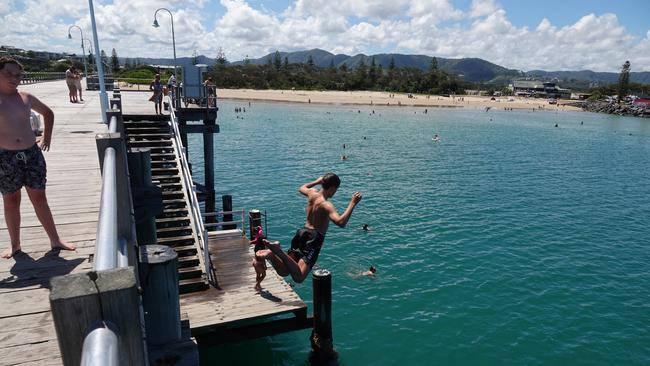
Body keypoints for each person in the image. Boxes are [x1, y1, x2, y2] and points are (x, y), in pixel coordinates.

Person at [0, 57, 75, 258]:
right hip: (5, 157)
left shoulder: (26, 97)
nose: (13, 78)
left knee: (40, 198)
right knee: (11, 201)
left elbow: (48, 113)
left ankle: (55, 240)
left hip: (31, 154)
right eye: (8, 73)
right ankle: (15, 245)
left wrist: (46, 137)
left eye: (18, 75)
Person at [258, 173, 362, 283]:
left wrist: (316, 181)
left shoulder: (312, 193)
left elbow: (302, 188)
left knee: (284, 271)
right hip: (314, 239)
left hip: (302, 233)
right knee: (299, 277)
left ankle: (271, 255)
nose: (335, 192)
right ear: (332, 188)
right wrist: (353, 203)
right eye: (336, 189)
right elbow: (341, 222)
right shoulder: (326, 205)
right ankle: (278, 251)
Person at [249, 225, 267, 292]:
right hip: (259, 263)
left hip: (254, 261)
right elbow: (263, 258)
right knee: (264, 275)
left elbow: (259, 229)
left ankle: (258, 288)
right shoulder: (262, 249)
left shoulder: (257, 246)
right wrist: (264, 265)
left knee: (258, 275)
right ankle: (256, 285)